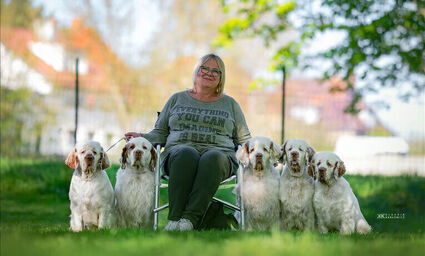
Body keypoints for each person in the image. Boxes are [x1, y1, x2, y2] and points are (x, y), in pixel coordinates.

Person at [125, 53, 251, 231]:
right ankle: (174, 220)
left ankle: (187, 221)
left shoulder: (230, 104)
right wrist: (140, 136)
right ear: (196, 71)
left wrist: (262, 150)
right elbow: (160, 132)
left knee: (212, 157)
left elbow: (244, 139)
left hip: (219, 157)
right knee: (186, 153)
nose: (209, 73)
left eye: (216, 70)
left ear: (221, 77)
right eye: (204, 68)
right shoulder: (177, 99)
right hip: (178, 154)